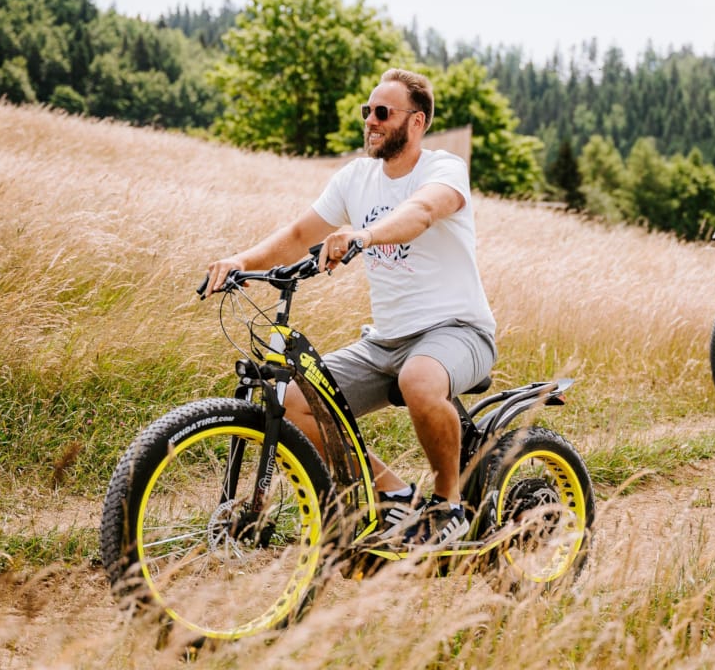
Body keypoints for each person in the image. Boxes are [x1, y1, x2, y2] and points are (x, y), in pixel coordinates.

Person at [205, 68, 496, 547]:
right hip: (385, 340)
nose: (371, 122)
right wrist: (241, 261)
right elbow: (301, 235)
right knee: (292, 400)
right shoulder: (356, 179)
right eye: (367, 112)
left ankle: (449, 506)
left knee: (419, 381)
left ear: (417, 121)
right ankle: (394, 495)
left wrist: (364, 234)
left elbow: (421, 213)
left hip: (459, 331)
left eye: (383, 112)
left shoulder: (443, 170)